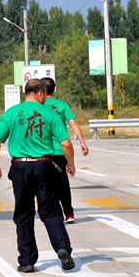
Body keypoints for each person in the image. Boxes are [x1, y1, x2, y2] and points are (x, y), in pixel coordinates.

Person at [0, 78, 76, 273]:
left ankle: (27, 261)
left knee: (24, 213)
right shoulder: (50, 113)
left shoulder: (12, 113)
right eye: (45, 94)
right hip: (45, 167)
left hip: (20, 167)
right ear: (39, 93)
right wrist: (70, 163)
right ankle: (62, 248)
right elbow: (66, 144)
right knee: (51, 210)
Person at [41, 77, 89, 224]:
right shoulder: (61, 105)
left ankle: (53, 214)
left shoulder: (38, 106)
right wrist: (82, 141)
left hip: (42, 152)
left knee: (46, 185)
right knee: (62, 183)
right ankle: (69, 213)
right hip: (60, 150)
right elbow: (73, 122)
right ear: (54, 89)